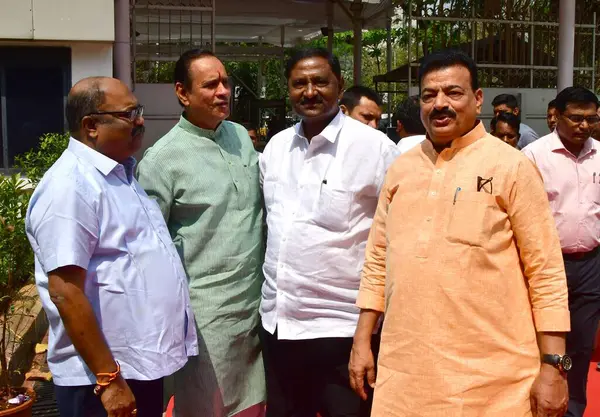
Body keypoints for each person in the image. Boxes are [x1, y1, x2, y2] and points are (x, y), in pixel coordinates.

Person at [350, 50, 570, 417]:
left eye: (453, 93)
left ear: (477, 98)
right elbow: (376, 261)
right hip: (405, 377)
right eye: (428, 95)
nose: (440, 104)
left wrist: (553, 364)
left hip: (494, 384)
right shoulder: (401, 170)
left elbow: (545, 272)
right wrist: (362, 340)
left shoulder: (512, 167)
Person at [26, 77, 198, 417]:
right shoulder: (70, 187)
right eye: (129, 113)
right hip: (100, 380)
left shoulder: (118, 175)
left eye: (139, 111)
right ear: (91, 126)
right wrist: (108, 380)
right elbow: (66, 292)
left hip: (136, 367)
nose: (140, 121)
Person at [259, 47, 398, 417]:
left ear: (338, 85)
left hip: (343, 332)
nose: (310, 91)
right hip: (280, 327)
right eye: (299, 83)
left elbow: (394, 239)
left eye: (320, 81)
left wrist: (369, 336)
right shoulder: (275, 148)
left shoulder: (376, 149)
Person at [136, 49, 265, 417]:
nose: (223, 91)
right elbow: (151, 249)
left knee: (255, 402)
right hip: (205, 315)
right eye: (211, 84)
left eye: (225, 82)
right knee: (207, 406)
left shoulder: (240, 136)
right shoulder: (162, 160)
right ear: (182, 93)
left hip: (255, 305)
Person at [522, 86, 600, 417]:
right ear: (557, 115)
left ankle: (574, 409)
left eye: (592, 118)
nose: (584, 126)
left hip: (590, 265)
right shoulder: (534, 156)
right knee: (539, 343)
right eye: (576, 118)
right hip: (546, 267)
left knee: (581, 345)